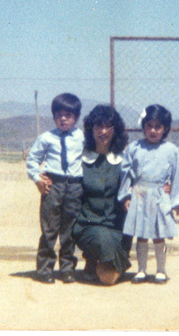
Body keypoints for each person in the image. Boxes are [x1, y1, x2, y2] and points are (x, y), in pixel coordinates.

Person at [118, 104, 179, 284]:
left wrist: (178, 200)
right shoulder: (134, 148)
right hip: (140, 194)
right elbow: (125, 173)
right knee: (141, 234)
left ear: (164, 128)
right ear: (143, 127)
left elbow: (178, 176)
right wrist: (126, 195)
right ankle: (141, 270)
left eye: (158, 127)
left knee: (158, 235)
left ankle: (161, 270)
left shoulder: (171, 150)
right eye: (149, 126)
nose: (153, 130)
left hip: (159, 196)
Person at [26, 93, 84, 284]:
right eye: (59, 115)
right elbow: (32, 160)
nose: (63, 119)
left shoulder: (82, 137)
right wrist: (37, 178)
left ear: (76, 116)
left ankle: (67, 268)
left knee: (69, 229)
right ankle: (45, 269)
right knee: (49, 227)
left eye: (68, 115)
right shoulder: (46, 138)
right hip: (53, 184)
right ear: (53, 117)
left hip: (75, 186)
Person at [72, 104, 132, 285]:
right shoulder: (81, 158)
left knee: (109, 275)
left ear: (116, 130)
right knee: (108, 274)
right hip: (88, 224)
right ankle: (93, 258)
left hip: (117, 225)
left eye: (108, 127)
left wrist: (166, 185)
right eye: (98, 126)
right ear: (91, 130)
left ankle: (99, 263)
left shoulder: (125, 160)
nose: (103, 131)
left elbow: (145, 180)